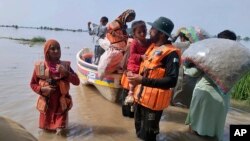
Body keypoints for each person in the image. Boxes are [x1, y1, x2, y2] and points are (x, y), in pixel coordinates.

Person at [127, 17, 181, 141]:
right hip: (140, 100)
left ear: (161, 33)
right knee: (139, 132)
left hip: (153, 106)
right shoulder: (152, 48)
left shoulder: (171, 54)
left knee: (149, 134)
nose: (149, 31)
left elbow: (172, 81)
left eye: (152, 29)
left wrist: (141, 80)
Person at [30, 39, 80, 135]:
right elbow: (32, 84)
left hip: (61, 105)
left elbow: (77, 82)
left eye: (58, 48)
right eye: (53, 49)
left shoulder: (65, 66)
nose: (56, 51)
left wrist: (66, 73)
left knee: (61, 133)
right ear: (47, 52)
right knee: (46, 133)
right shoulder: (40, 67)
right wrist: (42, 89)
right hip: (47, 106)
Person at [171, 27, 210, 108]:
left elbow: (166, 46)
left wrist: (176, 35)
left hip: (180, 80)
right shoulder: (202, 49)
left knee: (175, 105)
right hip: (193, 83)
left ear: (181, 37)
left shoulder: (180, 45)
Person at [121, 20, 150, 117]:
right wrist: (141, 57)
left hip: (140, 73)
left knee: (135, 98)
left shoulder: (149, 43)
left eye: (144, 31)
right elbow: (132, 55)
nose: (142, 34)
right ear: (134, 34)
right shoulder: (133, 43)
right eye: (139, 32)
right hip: (131, 69)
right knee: (128, 97)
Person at [98, 9, 135, 77]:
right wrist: (124, 37)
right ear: (125, 15)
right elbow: (113, 33)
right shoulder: (115, 23)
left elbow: (122, 35)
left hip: (120, 45)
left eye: (132, 19)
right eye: (130, 18)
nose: (130, 20)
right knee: (107, 60)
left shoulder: (123, 25)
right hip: (113, 44)